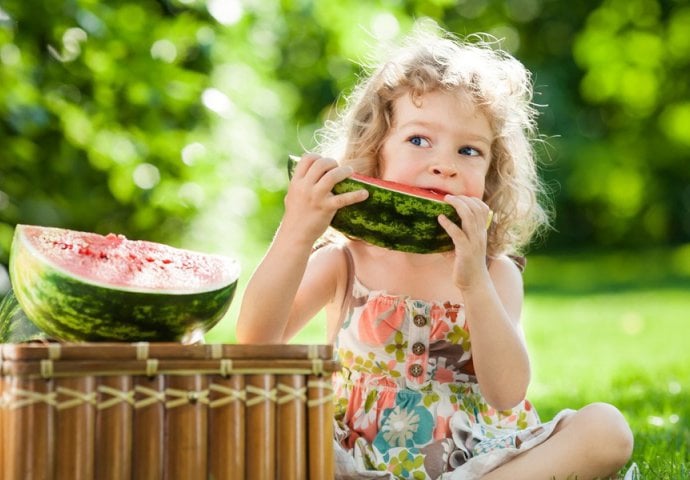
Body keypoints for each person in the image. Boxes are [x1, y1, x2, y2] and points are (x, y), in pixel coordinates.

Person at [236, 20, 634, 480]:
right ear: (377, 150)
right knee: (255, 414)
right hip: (353, 460)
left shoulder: (496, 273)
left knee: (608, 429)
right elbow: (255, 345)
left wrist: (475, 285)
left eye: (469, 151)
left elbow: (507, 393)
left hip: (478, 462)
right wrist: (296, 233)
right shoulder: (347, 261)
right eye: (419, 140)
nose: (444, 165)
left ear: (493, 174)